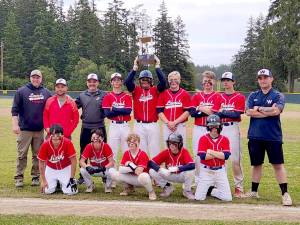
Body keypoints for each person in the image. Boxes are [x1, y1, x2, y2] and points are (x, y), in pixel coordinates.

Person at [244, 69, 292, 206]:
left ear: (272, 79)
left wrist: (258, 108)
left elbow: (277, 111)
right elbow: (248, 112)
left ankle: (285, 193)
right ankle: (254, 191)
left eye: (265, 77)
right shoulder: (253, 95)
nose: (263, 80)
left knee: (277, 165)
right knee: (256, 164)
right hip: (255, 136)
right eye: (260, 78)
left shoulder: (278, 95)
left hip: (273, 136)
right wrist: (267, 110)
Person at [11, 69, 52, 187]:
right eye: (33, 77)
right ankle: (19, 177)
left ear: (41, 79)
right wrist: (15, 124)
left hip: (39, 130)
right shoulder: (22, 91)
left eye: (38, 77)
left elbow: (52, 106)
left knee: (38, 155)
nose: (36, 79)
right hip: (25, 129)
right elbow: (14, 110)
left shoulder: (46, 92)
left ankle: (36, 175)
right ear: (30, 78)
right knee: (22, 154)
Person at [124, 55, 166, 157]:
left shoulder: (155, 90)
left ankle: (154, 171)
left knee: (154, 149)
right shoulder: (136, 90)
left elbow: (163, 82)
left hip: (153, 124)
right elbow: (127, 82)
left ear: (151, 81)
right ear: (140, 81)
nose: (145, 82)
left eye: (147, 80)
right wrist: (135, 67)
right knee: (141, 150)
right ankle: (143, 170)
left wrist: (157, 66)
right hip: (139, 125)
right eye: (143, 80)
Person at [211, 72, 246, 198]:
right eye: (223, 80)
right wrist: (224, 113)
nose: (225, 82)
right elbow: (215, 114)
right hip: (220, 129)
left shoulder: (239, 97)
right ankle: (220, 185)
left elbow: (236, 115)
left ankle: (239, 187)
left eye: (228, 80)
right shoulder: (218, 97)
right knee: (219, 158)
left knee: (235, 159)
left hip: (232, 128)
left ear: (233, 82)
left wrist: (223, 112)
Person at [75, 73, 107, 184]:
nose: (92, 83)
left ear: (98, 82)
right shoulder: (82, 95)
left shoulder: (103, 95)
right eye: (90, 81)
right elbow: (73, 107)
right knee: (83, 152)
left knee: (103, 151)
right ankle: (82, 175)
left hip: (99, 127)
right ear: (87, 83)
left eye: (94, 81)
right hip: (86, 127)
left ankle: (105, 174)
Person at [190, 70, 221, 182]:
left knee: (213, 153)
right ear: (202, 83)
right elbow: (193, 114)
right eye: (205, 81)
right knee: (198, 154)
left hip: (212, 129)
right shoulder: (197, 96)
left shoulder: (218, 96)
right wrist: (207, 110)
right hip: (198, 128)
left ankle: (213, 181)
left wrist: (200, 108)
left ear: (214, 81)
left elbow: (215, 113)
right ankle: (198, 180)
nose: (207, 83)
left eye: (209, 81)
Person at [195, 114, 232, 201]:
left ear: (220, 126)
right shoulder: (203, 138)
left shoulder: (225, 139)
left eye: (216, 126)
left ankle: (211, 191)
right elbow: (203, 157)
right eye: (211, 126)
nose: (214, 128)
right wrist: (219, 154)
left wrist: (210, 151)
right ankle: (207, 189)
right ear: (208, 127)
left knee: (227, 198)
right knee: (199, 198)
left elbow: (225, 156)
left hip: (220, 171)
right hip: (206, 171)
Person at [149, 133, 195, 200]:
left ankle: (187, 191)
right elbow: (150, 163)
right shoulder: (166, 152)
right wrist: (160, 169)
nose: (171, 145)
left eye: (174, 143)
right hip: (169, 174)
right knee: (152, 171)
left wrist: (177, 168)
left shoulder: (184, 151)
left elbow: (192, 165)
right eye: (170, 143)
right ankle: (168, 187)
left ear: (179, 144)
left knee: (190, 172)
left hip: (181, 176)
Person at [111, 133, 157, 200]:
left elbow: (139, 171)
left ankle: (151, 191)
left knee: (143, 176)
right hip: (132, 177)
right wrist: (131, 168)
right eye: (130, 142)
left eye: (134, 142)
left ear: (138, 143)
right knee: (114, 174)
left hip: (141, 179)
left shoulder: (142, 154)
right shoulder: (127, 153)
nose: (131, 144)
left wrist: (129, 164)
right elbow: (120, 169)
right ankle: (129, 188)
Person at [38, 124, 78, 195]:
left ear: (62, 135)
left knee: (71, 191)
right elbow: (41, 163)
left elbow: (74, 161)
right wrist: (43, 180)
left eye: (57, 134)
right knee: (47, 191)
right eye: (53, 135)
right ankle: (56, 183)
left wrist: (71, 178)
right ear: (50, 135)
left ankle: (64, 182)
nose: (55, 137)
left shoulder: (68, 143)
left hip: (65, 168)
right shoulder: (45, 144)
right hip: (51, 168)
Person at [102, 73, 132, 160]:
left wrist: (114, 108)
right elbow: (107, 114)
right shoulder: (107, 96)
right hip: (113, 125)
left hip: (125, 126)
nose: (116, 82)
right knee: (112, 151)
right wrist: (121, 110)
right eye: (114, 80)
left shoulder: (127, 96)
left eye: (118, 80)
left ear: (121, 82)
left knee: (127, 149)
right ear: (111, 82)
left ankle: (128, 171)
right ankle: (112, 172)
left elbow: (128, 111)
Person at [157, 71, 190, 147]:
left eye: (176, 79)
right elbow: (159, 111)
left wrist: (175, 122)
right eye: (171, 80)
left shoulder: (185, 94)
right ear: (168, 81)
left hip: (180, 126)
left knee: (181, 148)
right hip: (167, 125)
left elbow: (187, 111)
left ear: (179, 80)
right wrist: (168, 123)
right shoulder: (163, 94)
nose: (173, 82)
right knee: (167, 148)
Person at [79, 129, 116, 193]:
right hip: (94, 169)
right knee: (82, 169)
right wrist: (87, 167)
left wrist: (104, 167)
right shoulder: (89, 146)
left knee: (112, 170)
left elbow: (112, 162)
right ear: (91, 138)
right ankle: (90, 186)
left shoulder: (106, 146)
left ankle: (108, 186)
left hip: (104, 169)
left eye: (97, 138)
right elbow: (81, 161)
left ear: (102, 138)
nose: (95, 139)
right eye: (94, 138)